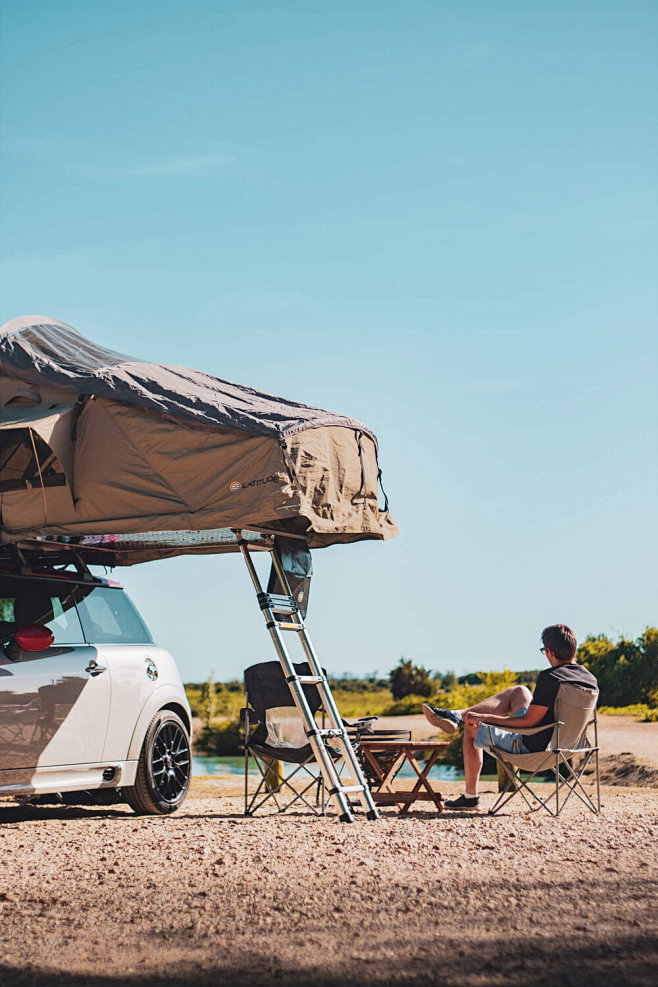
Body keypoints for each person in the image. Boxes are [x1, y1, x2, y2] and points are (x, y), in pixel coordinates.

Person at [422, 624, 598, 810]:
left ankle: (470, 796)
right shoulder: (590, 679)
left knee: (471, 727)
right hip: (569, 747)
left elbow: (528, 722)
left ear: (549, 652)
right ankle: (456, 715)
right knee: (520, 692)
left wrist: (483, 718)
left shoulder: (551, 677)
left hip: (534, 750)